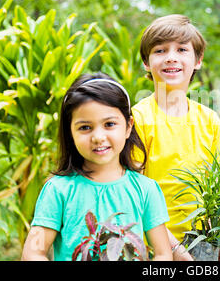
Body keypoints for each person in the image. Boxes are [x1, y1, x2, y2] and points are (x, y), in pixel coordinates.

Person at [21, 72, 172, 261]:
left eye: (109, 124)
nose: (98, 137)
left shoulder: (146, 190)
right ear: (70, 132)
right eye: (85, 127)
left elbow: (162, 254)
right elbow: (33, 253)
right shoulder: (58, 190)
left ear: (128, 127)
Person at [132, 14, 220, 260]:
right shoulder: (137, 119)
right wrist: (173, 248)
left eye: (182, 49)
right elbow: (135, 195)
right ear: (146, 62)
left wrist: (218, 239)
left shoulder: (209, 119)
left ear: (198, 60)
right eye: (160, 50)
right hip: (151, 246)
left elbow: (216, 189)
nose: (171, 57)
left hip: (200, 244)